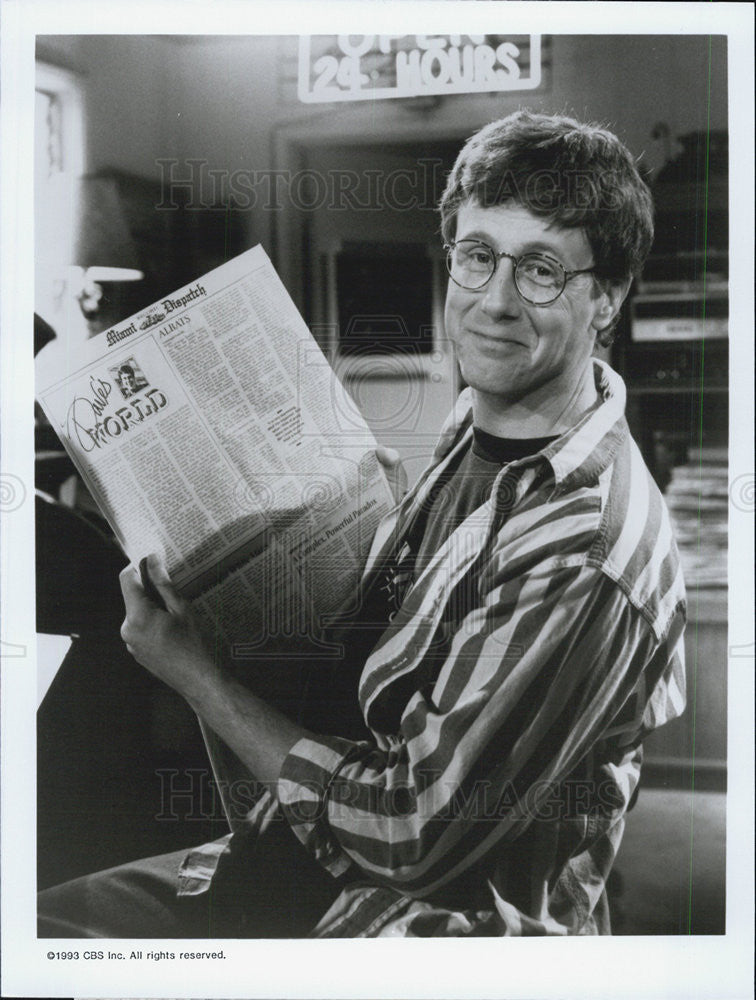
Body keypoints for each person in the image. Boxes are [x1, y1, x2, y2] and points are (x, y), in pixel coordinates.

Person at [38, 110, 686, 938]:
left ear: (609, 297)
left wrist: (197, 676)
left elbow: (414, 837)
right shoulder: (478, 422)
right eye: (478, 256)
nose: (494, 301)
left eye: (542, 270)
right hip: (310, 844)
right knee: (37, 919)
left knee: (50, 941)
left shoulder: (585, 548)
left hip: (419, 925)